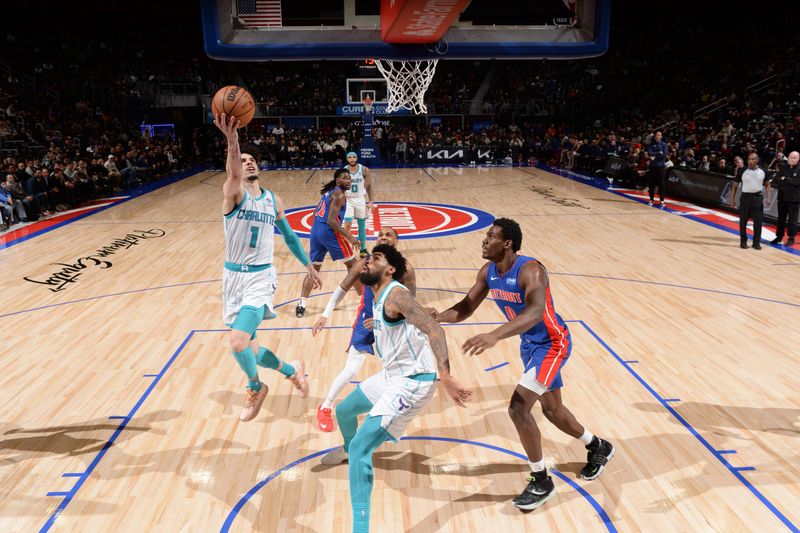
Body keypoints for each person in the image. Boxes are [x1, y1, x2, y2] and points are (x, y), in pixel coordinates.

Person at [430, 218, 614, 510]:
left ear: (507, 243)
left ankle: (541, 480)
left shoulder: (530, 269)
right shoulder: (488, 272)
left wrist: (494, 335)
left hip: (553, 343)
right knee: (553, 412)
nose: (484, 240)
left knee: (518, 408)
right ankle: (598, 446)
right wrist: (436, 316)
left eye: (490, 236)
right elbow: (465, 308)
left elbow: (536, 311)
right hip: (530, 346)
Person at [319, 244, 471, 533]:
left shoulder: (397, 295)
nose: (367, 262)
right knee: (344, 411)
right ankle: (347, 450)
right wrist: (376, 322)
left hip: (414, 382)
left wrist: (446, 376)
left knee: (364, 446)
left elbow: (433, 329)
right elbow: (402, 320)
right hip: (392, 375)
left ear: (389, 270)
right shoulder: (378, 297)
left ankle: (359, 528)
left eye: (375, 259)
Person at [215, 112, 322, 422]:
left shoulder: (273, 200)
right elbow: (232, 173)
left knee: (237, 342)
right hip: (232, 277)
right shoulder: (233, 195)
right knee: (251, 349)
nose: (248, 163)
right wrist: (232, 140)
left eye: (252, 160)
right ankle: (292, 371)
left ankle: (255, 387)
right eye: (243, 159)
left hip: (260, 277)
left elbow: (288, 235)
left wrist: (308, 266)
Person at [311, 227, 416, 432]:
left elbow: (412, 304)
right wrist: (325, 314)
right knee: (351, 369)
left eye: (388, 235)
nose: (383, 237)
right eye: (380, 235)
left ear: (397, 241)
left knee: (398, 366)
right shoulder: (365, 263)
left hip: (391, 322)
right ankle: (325, 407)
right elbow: (343, 287)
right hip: (366, 319)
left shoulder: (406, 268)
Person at [295, 168, 361, 318]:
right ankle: (364, 301)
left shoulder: (329, 192)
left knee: (314, 269)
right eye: (345, 178)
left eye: (349, 178)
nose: (348, 180)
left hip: (316, 231)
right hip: (328, 233)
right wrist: (350, 237)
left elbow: (315, 212)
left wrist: (319, 228)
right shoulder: (339, 195)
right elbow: (332, 221)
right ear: (338, 180)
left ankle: (301, 304)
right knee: (355, 266)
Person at [731, 153, 771, 250]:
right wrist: (732, 200)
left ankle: (756, 243)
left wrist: (769, 198)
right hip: (745, 198)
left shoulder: (763, 171)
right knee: (743, 221)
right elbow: (735, 186)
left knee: (758, 222)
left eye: (753, 159)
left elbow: (767, 185)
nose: (750, 161)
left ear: (757, 160)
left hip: (757, 198)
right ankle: (743, 241)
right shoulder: (742, 170)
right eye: (749, 159)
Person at [342, 152, 374, 257]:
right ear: (347, 159)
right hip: (348, 200)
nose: (352, 159)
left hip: (360, 199)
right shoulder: (343, 171)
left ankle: (363, 250)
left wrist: (371, 201)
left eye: (354, 157)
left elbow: (369, 186)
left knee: (362, 225)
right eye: (350, 157)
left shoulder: (364, 169)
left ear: (357, 158)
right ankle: (346, 247)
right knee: (347, 225)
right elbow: (339, 187)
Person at [771, 150, 800, 246]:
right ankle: (779, 236)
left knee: (793, 220)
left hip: (794, 200)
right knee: (780, 219)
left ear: (798, 159)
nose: (792, 159)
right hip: (782, 198)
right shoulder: (783, 167)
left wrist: (786, 179)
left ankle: (791, 238)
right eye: (790, 157)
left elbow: (797, 182)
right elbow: (777, 180)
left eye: (794, 157)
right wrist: (790, 182)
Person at [646, 131, 669, 208]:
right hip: (652, 166)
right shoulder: (650, 144)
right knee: (651, 184)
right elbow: (649, 153)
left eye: (659, 135)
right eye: (656, 135)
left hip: (661, 167)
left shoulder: (664, 144)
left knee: (661, 184)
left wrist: (654, 154)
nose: (657, 136)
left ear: (661, 136)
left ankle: (662, 200)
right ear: (654, 136)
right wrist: (659, 152)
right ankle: (651, 199)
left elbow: (664, 155)